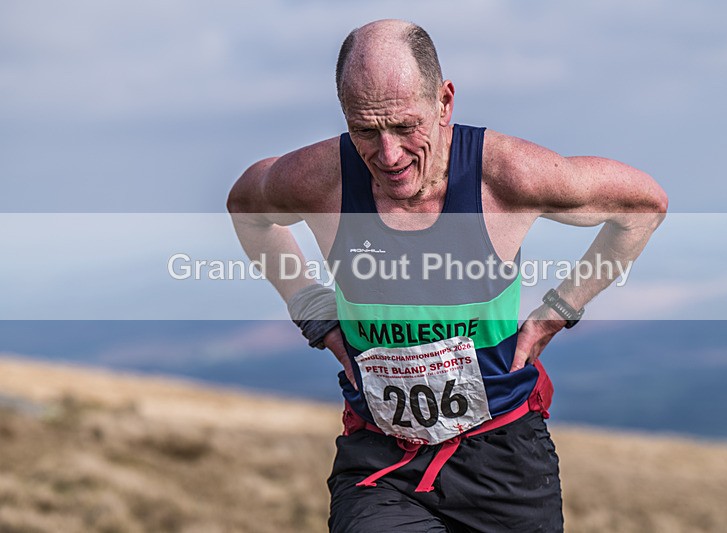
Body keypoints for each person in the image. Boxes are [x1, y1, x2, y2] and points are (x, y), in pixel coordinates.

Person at [227, 19, 667, 532]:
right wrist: (311, 308)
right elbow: (245, 209)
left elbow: (642, 205)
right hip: (381, 459)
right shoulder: (320, 178)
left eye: (404, 126)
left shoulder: (507, 176)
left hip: (505, 459)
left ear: (444, 102)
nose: (388, 155)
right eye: (365, 130)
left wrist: (560, 310)